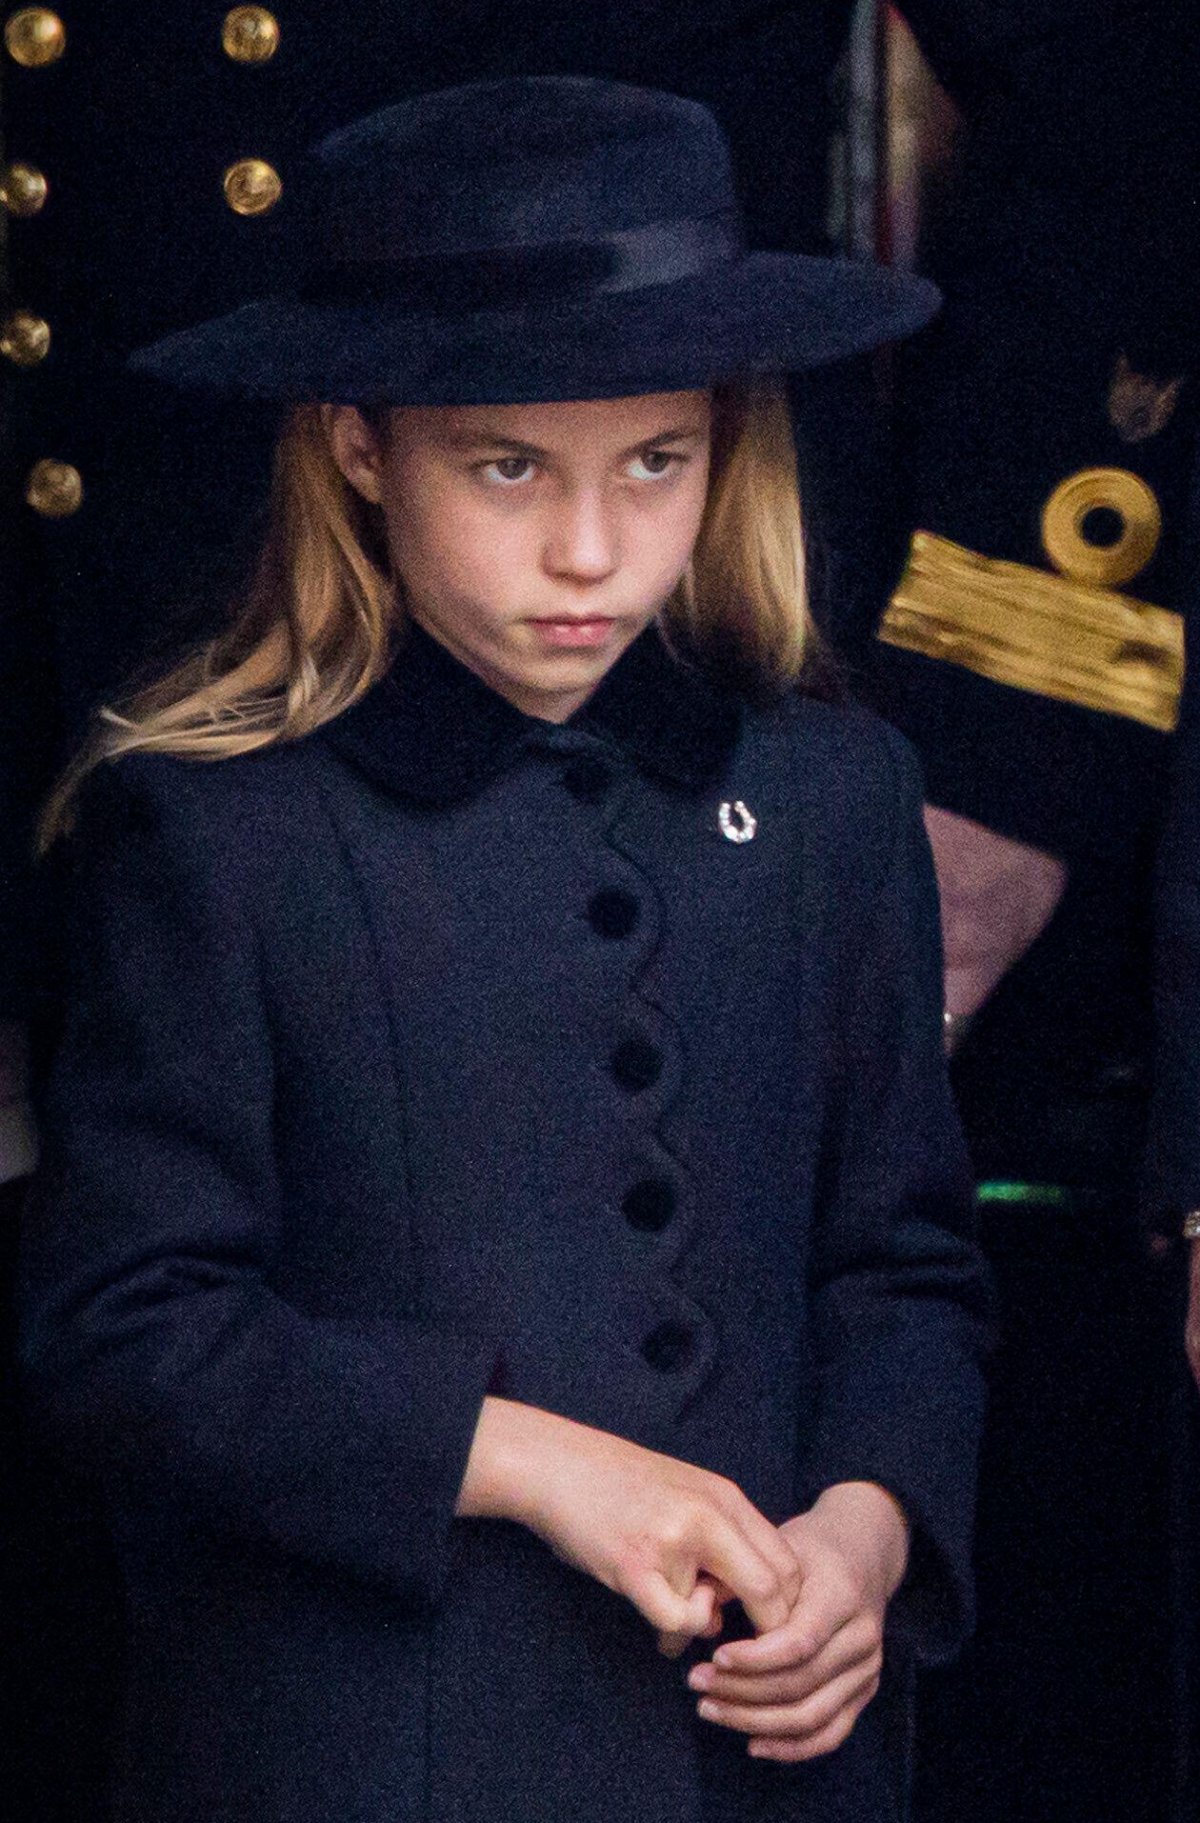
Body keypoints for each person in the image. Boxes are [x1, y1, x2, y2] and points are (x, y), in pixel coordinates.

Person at [17, 76, 989, 1823]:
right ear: (359, 446)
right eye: (507, 466)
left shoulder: (840, 797)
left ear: (729, 442)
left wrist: (870, 1528)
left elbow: (902, 1263)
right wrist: (528, 1463)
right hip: (360, 1757)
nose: (592, 550)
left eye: (658, 462)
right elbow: (126, 1326)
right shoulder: (214, 826)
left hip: (773, 1776)